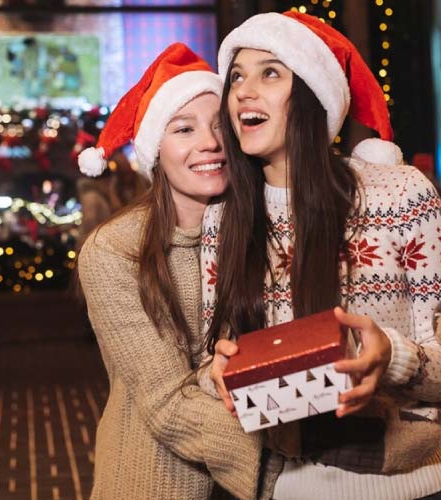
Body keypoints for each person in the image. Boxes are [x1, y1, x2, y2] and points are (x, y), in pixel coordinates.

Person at [200, 12, 441, 500]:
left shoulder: (401, 196)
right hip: (278, 489)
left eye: (270, 73)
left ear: (312, 93)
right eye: (237, 77)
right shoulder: (223, 220)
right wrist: (217, 372)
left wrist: (390, 357)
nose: (245, 90)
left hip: (406, 487)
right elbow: (211, 362)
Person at [76, 43, 265, 500]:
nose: (210, 143)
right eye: (184, 129)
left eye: (221, 125)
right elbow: (167, 401)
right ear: (155, 149)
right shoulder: (114, 251)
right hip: (156, 481)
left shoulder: (256, 227)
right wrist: (284, 466)